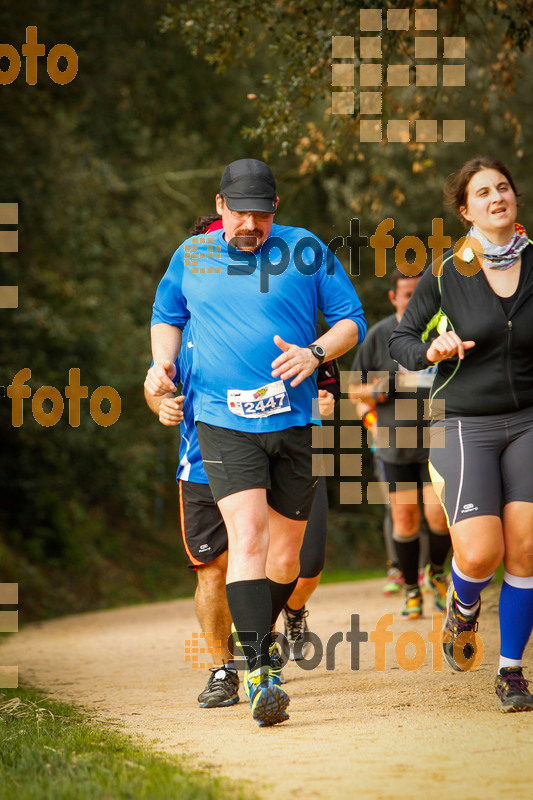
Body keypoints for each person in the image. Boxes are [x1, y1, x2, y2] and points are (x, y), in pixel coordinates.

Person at [145, 158, 366, 726]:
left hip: (294, 422)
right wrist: (161, 364)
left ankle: (255, 647)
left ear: (276, 211)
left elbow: (351, 320)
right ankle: (261, 672)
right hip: (223, 421)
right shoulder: (192, 255)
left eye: (260, 215)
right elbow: (167, 312)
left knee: (286, 556)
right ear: (220, 207)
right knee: (246, 538)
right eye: (239, 213)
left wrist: (315, 352)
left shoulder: (306, 250)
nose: (250, 225)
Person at [389, 156, 533, 713]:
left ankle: (511, 671)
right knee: (480, 552)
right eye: (483, 192)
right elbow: (402, 339)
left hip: (527, 422)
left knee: (524, 548)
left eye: (503, 187)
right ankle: (462, 605)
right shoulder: (448, 271)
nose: (497, 197)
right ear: (464, 208)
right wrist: (431, 348)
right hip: (462, 421)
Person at [349, 269, 451, 618]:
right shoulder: (378, 336)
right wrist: (377, 393)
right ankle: (410, 588)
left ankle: (436, 575)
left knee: (439, 517)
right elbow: (353, 389)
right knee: (404, 518)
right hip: (395, 442)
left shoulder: (445, 330)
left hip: (439, 438)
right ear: (394, 297)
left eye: (417, 294)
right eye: (405, 294)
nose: (411, 301)